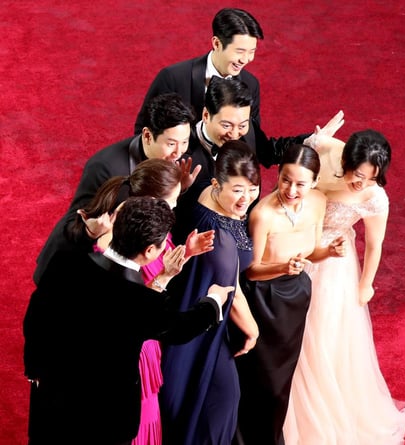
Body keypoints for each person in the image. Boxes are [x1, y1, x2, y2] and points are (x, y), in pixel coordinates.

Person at [23, 196, 234, 445]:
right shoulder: (142, 302)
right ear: (150, 251)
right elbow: (181, 329)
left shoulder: (65, 261)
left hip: (51, 405)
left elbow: (34, 317)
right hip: (104, 421)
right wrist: (213, 301)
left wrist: (34, 368)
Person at [70, 158, 215, 445]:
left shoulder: (140, 226)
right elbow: (127, 304)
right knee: (135, 415)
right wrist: (212, 301)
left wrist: (183, 253)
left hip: (144, 335)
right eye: (171, 201)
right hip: (129, 346)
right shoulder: (116, 238)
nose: (174, 207)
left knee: (145, 409)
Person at [283, 130, 405, 444]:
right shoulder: (330, 157)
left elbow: (375, 244)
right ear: (345, 162)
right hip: (296, 248)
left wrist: (366, 284)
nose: (361, 183)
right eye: (357, 175)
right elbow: (316, 146)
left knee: (321, 336)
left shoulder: (373, 197)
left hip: (333, 266)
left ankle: (318, 416)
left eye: (370, 178)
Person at [234, 144, 346, 445]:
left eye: (300, 183)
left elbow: (311, 251)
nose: (291, 189)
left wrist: (329, 252)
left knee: (282, 382)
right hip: (263, 300)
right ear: (278, 175)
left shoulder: (319, 202)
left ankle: (271, 437)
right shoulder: (262, 214)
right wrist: (284, 266)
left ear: (313, 182)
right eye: (286, 179)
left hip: (296, 297)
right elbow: (251, 270)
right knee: (261, 381)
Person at [133, 7, 344, 163]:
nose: (247, 59)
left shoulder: (250, 84)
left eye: (252, 52)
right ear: (216, 43)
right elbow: (142, 135)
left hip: (234, 193)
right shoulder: (173, 77)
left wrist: (311, 141)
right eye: (240, 52)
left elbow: (259, 147)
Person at [33, 92, 197, 285]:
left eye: (184, 142)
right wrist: (91, 231)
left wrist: (177, 187)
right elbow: (74, 223)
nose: (178, 152)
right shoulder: (105, 167)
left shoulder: (172, 160)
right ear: (146, 135)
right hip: (76, 268)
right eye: (171, 144)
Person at [160, 140, 261, 445]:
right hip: (203, 326)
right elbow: (232, 294)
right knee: (222, 402)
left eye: (252, 188)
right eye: (238, 190)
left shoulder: (202, 190)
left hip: (193, 309)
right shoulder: (220, 240)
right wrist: (254, 330)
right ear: (218, 184)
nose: (246, 198)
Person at [172, 75, 343, 244]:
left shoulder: (249, 130)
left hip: (246, 235)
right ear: (206, 115)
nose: (234, 134)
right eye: (226, 126)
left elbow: (269, 151)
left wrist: (311, 141)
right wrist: (180, 191)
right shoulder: (181, 152)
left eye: (242, 125)